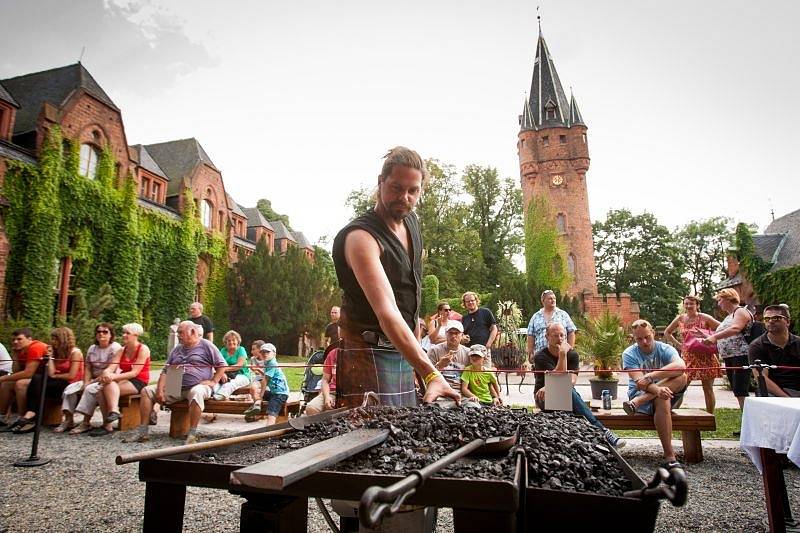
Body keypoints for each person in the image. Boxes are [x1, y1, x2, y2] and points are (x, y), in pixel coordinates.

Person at [332, 146, 459, 407]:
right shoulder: (361, 238)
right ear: (380, 183)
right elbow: (388, 311)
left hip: (403, 350)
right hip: (366, 355)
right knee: (370, 440)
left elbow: (408, 300)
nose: (405, 197)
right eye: (396, 188)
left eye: (413, 191)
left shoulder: (411, 224)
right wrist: (430, 371)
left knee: (406, 439)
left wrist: (417, 361)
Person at [131, 321, 226, 444]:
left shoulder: (206, 345)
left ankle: (192, 434)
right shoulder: (177, 349)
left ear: (192, 331)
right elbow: (165, 371)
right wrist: (160, 390)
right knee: (147, 391)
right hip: (175, 383)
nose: (178, 335)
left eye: (181, 332)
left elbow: (222, 365)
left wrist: (213, 381)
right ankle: (142, 433)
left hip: (198, 385)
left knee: (197, 392)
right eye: (178, 332)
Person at [534, 323, 625, 448]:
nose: (560, 339)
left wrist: (551, 385)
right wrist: (562, 355)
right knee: (566, 393)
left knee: (566, 393)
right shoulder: (540, 356)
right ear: (547, 337)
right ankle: (603, 432)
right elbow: (560, 378)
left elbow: (570, 381)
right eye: (555, 336)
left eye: (562, 335)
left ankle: (588, 442)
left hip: (566, 395)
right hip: (544, 396)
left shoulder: (573, 355)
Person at [622, 320, 688, 468]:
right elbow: (639, 382)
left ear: (653, 333)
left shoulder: (665, 349)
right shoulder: (629, 353)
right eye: (639, 339)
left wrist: (651, 376)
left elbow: (681, 366)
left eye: (647, 337)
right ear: (634, 338)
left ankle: (640, 401)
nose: (644, 342)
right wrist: (658, 390)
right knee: (662, 399)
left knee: (682, 377)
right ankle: (670, 456)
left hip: (644, 399)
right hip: (642, 394)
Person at [13, 327, 84, 434]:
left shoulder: (75, 353)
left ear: (63, 339)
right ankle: (30, 414)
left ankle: (31, 416)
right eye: (52, 338)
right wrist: (50, 357)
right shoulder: (55, 352)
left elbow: (71, 375)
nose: (52, 341)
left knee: (38, 383)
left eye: (55, 339)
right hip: (56, 381)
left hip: (71, 384)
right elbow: (51, 372)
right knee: (36, 378)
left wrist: (55, 376)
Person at [88, 323, 151, 436]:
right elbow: (111, 367)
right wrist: (107, 373)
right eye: (123, 333)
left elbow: (135, 372)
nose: (124, 335)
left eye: (127, 333)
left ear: (136, 335)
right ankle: (111, 417)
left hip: (139, 381)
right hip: (124, 380)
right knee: (102, 389)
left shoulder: (143, 349)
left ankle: (109, 422)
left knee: (105, 386)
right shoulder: (121, 350)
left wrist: (112, 377)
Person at [663, 295, 722, 413]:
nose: (689, 306)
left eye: (692, 304)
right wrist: (679, 345)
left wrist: (710, 337)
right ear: (684, 305)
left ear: (697, 305)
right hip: (688, 358)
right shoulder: (680, 319)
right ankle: (672, 412)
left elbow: (722, 327)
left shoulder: (704, 317)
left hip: (706, 357)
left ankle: (710, 415)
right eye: (686, 303)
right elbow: (667, 332)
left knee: (708, 389)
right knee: (681, 387)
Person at [698, 288, 752, 411]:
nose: (719, 303)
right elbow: (725, 335)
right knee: (736, 389)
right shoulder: (729, 316)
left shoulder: (740, 311)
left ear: (728, 298)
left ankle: (748, 422)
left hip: (741, 355)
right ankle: (745, 420)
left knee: (741, 390)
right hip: (730, 356)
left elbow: (735, 329)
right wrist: (706, 336)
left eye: (720, 300)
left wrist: (714, 336)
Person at [64, 323, 122, 434]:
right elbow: (88, 367)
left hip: (107, 380)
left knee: (90, 389)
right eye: (99, 332)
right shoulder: (92, 348)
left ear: (111, 335)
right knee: (69, 389)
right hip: (92, 379)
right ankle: (68, 420)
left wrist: (91, 382)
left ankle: (85, 423)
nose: (101, 334)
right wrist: (86, 381)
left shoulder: (115, 348)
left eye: (105, 332)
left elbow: (112, 370)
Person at [0, 328, 49, 429]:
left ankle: (23, 418)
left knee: (20, 384)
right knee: (7, 384)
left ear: (29, 339)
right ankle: (2, 416)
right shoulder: (21, 350)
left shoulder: (35, 347)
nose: (15, 342)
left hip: (48, 379)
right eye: (13, 340)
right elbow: (16, 371)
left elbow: (28, 373)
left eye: (19, 339)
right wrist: (15, 356)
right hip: (35, 379)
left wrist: (2, 378)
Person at [748, 304, 800, 397]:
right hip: (773, 393)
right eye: (767, 319)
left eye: (776, 318)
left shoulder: (798, 343)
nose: (771, 321)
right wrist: (787, 399)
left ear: (787, 321)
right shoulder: (757, 346)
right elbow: (762, 380)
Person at [527, 290, 577, 358]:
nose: (553, 300)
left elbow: (571, 332)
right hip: (541, 356)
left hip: (560, 355)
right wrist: (531, 353)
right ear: (543, 300)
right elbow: (530, 335)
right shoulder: (535, 317)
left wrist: (569, 349)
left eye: (554, 298)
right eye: (550, 298)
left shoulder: (563, 314)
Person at [426, 320, 470, 389]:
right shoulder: (434, 350)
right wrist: (439, 366)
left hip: (461, 391)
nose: (453, 336)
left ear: (462, 335)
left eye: (456, 333)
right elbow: (425, 374)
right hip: (438, 390)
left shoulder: (468, 353)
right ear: (446, 334)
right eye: (450, 333)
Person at [256, 342, 289, 426]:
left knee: (271, 412)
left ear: (274, 353)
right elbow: (265, 377)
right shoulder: (267, 363)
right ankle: (256, 410)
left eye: (267, 352)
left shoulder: (272, 364)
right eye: (262, 352)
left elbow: (265, 380)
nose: (264, 354)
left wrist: (261, 396)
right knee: (256, 391)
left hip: (280, 394)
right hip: (274, 392)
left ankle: (268, 431)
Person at [243, 342, 279, 420]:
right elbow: (255, 372)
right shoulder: (253, 359)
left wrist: (258, 369)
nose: (252, 352)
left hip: (267, 378)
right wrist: (255, 370)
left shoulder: (268, 359)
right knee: (253, 388)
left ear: (260, 349)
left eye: (253, 349)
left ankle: (261, 412)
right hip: (258, 377)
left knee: (265, 390)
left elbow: (268, 374)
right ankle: (257, 408)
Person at [213, 330, 252, 400]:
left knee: (232, 383)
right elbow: (218, 364)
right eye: (229, 340)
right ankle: (215, 396)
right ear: (226, 342)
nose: (231, 342)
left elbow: (239, 366)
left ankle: (221, 395)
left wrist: (223, 370)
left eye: (233, 340)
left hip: (242, 375)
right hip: (226, 375)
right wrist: (222, 374)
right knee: (215, 382)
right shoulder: (223, 350)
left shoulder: (241, 349)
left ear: (238, 341)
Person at [304, 346, 338, 416]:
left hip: (358, 394)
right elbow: (325, 380)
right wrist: (327, 397)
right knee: (311, 408)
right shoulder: (333, 353)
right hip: (333, 392)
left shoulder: (364, 353)